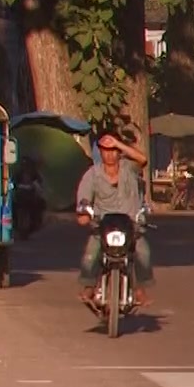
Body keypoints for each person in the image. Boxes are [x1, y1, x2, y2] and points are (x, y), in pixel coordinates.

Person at [76, 130, 154, 308]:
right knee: (90, 254)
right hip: (104, 225)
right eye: (105, 150)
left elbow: (142, 159)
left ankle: (140, 289)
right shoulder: (92, 174)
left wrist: (118, 143)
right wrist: (84, 213)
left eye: (113, 150)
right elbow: (84, 198)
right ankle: (89, 285)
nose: (109, 154)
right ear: (100, 152)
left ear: (119, 152)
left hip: (130, 224)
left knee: (143, 253)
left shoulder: (129, 168)